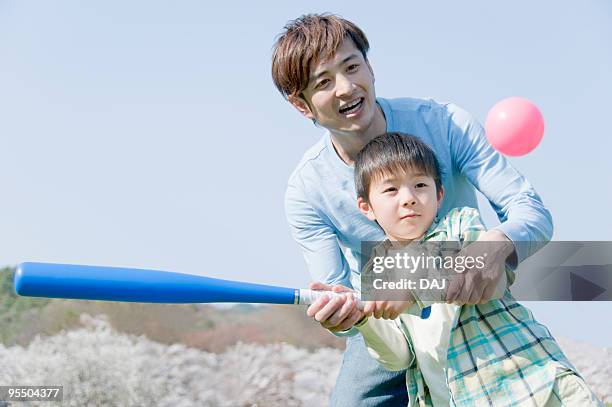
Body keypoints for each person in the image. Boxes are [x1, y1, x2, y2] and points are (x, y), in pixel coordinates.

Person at [272, 13, 551, 406]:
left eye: (352, 67)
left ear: (370, 66)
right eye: (324, 82)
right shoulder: (305, 192)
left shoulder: (446, 123)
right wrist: (344, 317)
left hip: (475, 292)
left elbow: (532, 214)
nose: (347, 88)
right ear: (302, 106)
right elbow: (346, 299)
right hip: (392, 318)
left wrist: (495, 243)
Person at [348, 132, 602, 406]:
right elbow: (399, 356)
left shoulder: (460, 225)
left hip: (535, 386)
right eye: (391, 189)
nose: (408, 198)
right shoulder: (377, 270)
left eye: (420, 185)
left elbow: (478, 275)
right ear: (366, 207)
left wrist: (410, 289)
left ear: (439, 194)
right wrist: (364, 320)